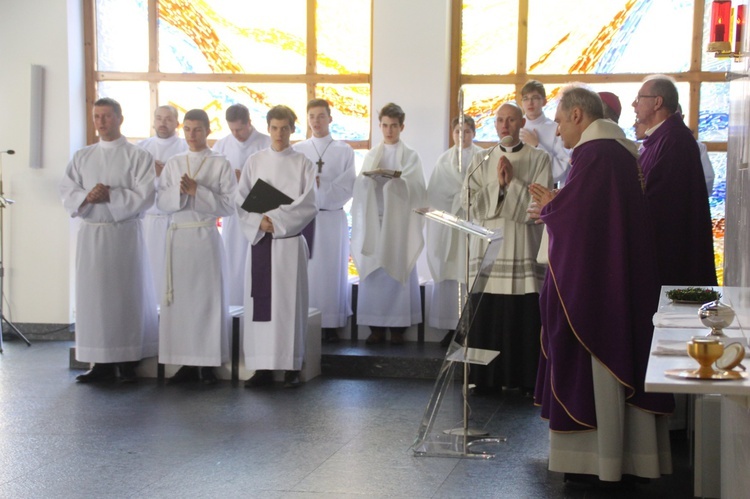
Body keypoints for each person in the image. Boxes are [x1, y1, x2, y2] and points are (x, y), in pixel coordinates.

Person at [531, 85, 674, 483]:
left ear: (578, 115)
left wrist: (549, 208)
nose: (557, 132)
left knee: (595, 362)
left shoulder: (596, 154)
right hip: (614, 275)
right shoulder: (614, 152)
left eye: (559, 122)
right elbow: (592, 213)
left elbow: (581, 220)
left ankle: (601, 459)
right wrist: (558, 205)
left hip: (597, 289)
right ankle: (620, 456)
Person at [59, 97, 158, 383]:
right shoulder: (83, 156)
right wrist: (86, 196)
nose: (101, 122)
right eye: (96, 117)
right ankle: (99, 361)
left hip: (123, 234)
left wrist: (112, 194)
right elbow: (67, 190)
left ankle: (127, 361)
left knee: (125, 297)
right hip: (92, 234)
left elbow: (146, 195)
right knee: (94, 300)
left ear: (119, 119)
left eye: (106, 116)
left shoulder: (137, 155)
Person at [461, 101, 551, 395]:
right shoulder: (482, 159)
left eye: (511, 120)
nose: (504, 126)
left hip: (521, 245)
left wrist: (512, 183)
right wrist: (499, 188)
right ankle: (486, 379)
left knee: (519, 315)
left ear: (522, 122)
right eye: (500, 120)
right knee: (487, 314)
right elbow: (469, 202)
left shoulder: (539, 158)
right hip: (488, 248)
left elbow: (541, 207)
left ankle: (523, 379)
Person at [238, 105, 317, 389]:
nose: (279, 133)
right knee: (260, 306)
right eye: (274, 128)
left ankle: (291, 365)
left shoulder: (303, 163)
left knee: (288, 305)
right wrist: (259, 223)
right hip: (261, 242)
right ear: (268, 128)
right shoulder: (255, 161)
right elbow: (241, 200)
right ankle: (261, 366)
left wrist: (278, 221)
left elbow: (308, 204)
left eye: (285, 128)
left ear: (293, 129)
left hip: (288, 245)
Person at [156, 109, 236, 385]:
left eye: (198, 130)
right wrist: (178, 192)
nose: (192, 135)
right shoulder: (174, 162)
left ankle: (207, 364)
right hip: (178, 238)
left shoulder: (220, 163)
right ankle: (185, 362)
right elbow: (160, 201)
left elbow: (229, 205)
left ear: (208, 131)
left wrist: (197, 192)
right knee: (181, 304)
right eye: (187, 129)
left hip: (204, 236)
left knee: (206, 301)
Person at [350, 103, 426, 346]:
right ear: (380, 125)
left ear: (401, 126)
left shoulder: (410, 156)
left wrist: (396, 182)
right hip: (376, 220)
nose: (389, 130)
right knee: (374, 273)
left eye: (394, 125)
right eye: (384, 125)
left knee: (397, 273)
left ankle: (398, 329)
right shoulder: (372, 155)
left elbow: (417, 188)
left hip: (398, 224)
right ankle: (376, 328)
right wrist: (370, 181)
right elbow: (359, 186)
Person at [633, 75, 717, 286]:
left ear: (657, 102)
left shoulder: (674, 140)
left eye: (639, 97)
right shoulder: (660, 139)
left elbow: (664, 200)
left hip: (670, 251)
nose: (634, 104)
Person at [293, 99, 356, 343]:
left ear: (330, 118)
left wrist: (323, 187)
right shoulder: (298, 150)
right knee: (308, 271)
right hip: (305, 219)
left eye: (321, 116)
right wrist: (310, 189)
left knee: (331, 270)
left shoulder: (343, 150)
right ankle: (308, 321)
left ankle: (330, 324)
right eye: (312, 116)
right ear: (307, 119)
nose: (316, 121)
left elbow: (348, 185)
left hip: (331, 219)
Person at [426, 115, 484, 348]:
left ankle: (471, 330)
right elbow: (436, 193)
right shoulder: (444, 160)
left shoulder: (482, 157)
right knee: (451, 277)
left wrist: (468, 200)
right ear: (453, 133)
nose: (462, 135)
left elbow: (486, 189)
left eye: (467, 131)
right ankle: (452, 329)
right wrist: (456, 201)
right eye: (458, 131)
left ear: (474, 133)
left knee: (469, 276)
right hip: (451, 225)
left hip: (473, 225)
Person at [213, 104, 271, 309]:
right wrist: (230, 181)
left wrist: (246, 181)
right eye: (232, 130)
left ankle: (257, 309)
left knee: (258, 264)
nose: (235, 134)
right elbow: (213, 180)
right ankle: (234, 309)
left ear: (249, 123)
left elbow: (275, 180)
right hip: (234, 216)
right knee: (234, 264)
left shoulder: (266, 143)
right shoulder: (221, 146)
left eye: (239, 129)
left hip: (260, 216)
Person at [137, 105, 188, 304]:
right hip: (149, 219)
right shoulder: (141, 148)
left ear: (177, 123)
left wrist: (165, 172)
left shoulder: (185, 148)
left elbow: (189, 181)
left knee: (174, 271)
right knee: (149, 271)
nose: (162, 123)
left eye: (168, 119)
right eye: (159, 118)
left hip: (175, 219)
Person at [519, 80, 571, 185]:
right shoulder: (515, 126)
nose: (530, 102)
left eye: (535, 98)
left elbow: (561, 168)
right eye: (526, 98)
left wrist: (537, 145)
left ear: (544, 101)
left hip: (544, 189)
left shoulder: (556, 128)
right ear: (521, 103)